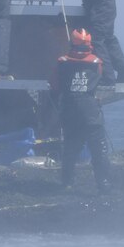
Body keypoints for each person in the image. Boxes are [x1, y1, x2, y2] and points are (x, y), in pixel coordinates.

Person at [49, 28, 112, 193]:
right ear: (89, 44)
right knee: (99, 150)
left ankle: (67, 183)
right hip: (90, 112)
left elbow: (54, 86)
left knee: (70, 148)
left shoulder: (62, 61)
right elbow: (104, 80)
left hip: (70, 111)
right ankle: (104, 185)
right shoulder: (97, 62)